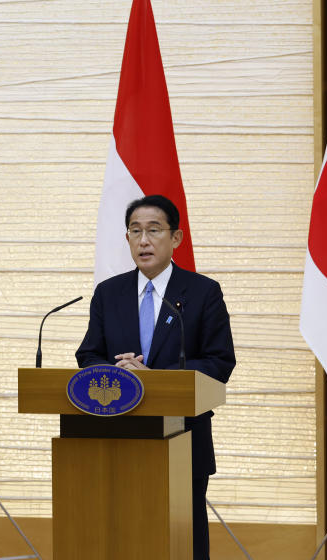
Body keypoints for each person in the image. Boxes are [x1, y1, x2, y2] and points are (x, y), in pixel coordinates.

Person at [75, 194, 235, 560]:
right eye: (135, 231)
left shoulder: (201, 292)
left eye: (153, 230)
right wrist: (116, 376)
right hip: (116, 439)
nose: (143, 240)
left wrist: (154, 377)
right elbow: (88, 354)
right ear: (127, 238)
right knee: (122, 538)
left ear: (175, 238)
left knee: (183, 543)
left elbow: (219, 362)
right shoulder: (108, 293)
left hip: (184, 438)